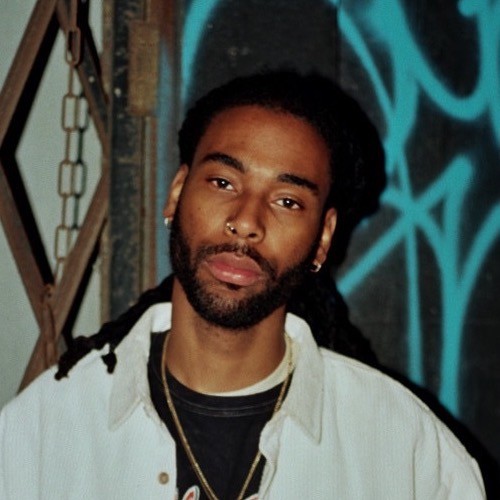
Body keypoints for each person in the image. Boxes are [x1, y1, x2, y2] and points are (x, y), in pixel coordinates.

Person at [0, 71, 485, 499]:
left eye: (287, 201)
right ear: (176, 193)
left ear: (323, 238)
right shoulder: (44, 430)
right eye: (223, 183)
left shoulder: (405, 452)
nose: (247, 221)